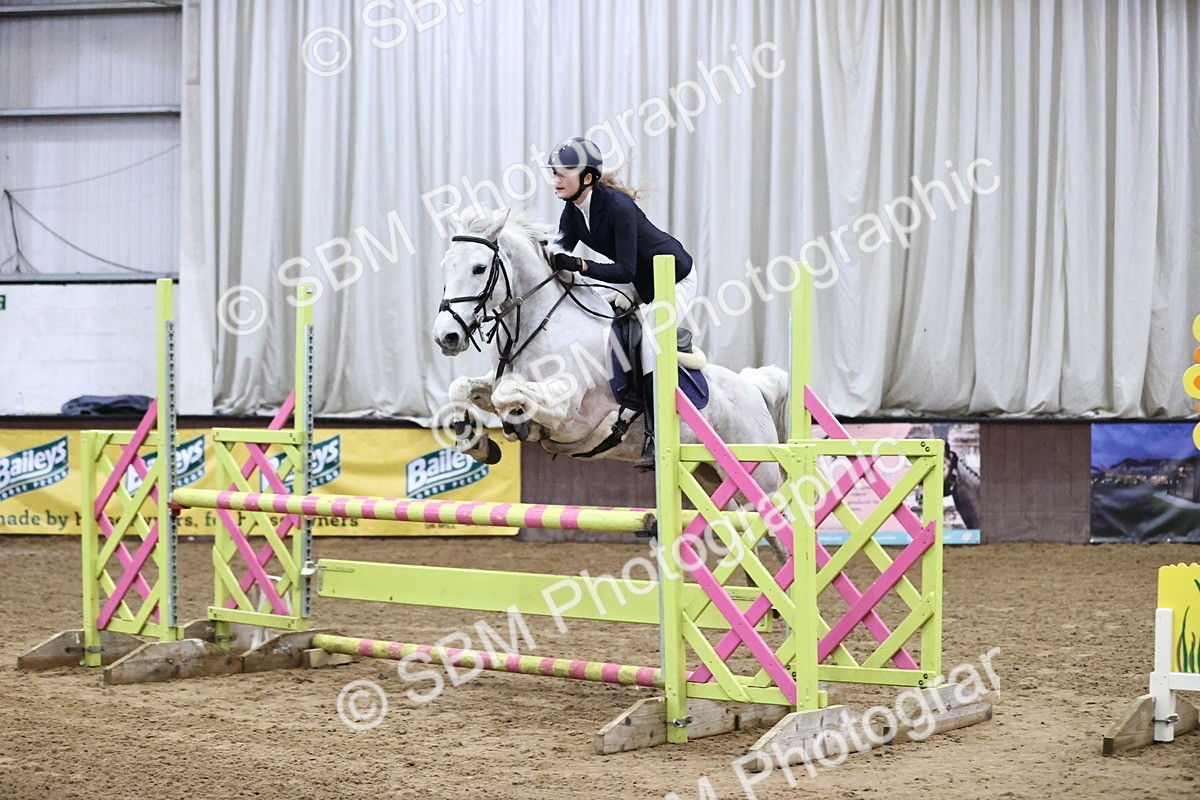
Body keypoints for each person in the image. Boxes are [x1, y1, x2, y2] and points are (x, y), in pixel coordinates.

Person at [544, 136, 697, 464]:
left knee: (650, 341)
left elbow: (624, 268)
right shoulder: (572, 210)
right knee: (593, 313)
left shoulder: (618, 207)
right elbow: (558, 251)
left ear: (587, 178)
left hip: (673, 280)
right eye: (554, 172)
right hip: (639, 282)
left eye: (562, 173)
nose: (555, 179)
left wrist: (582, 265)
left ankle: (657, 433)